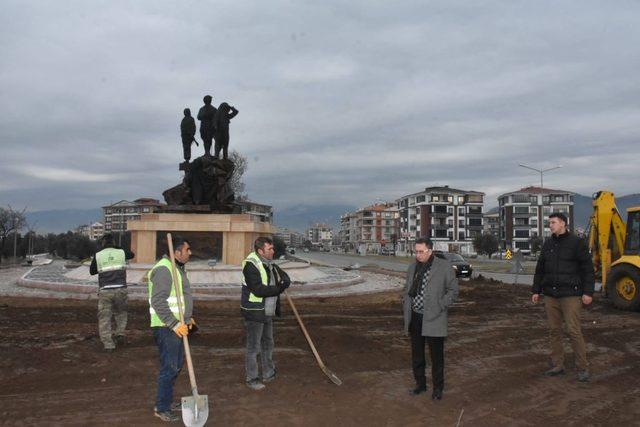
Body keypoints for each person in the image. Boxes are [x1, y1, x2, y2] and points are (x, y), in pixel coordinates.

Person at [532, 212, 595, 382]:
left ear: (563, 224)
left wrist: (588, 292)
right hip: (551, 296)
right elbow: (540, 269)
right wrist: (536, 290)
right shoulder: (548, 244)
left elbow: (588, 270)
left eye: (553, 222)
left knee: (574, 331)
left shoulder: (577, 243)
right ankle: (558, 365)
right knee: (554, 331)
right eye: (549, 222)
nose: (550, 225)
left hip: (571, 295)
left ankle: (582, 367)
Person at [402, 237, 458, 400]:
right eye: (416, 251)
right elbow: (407, 288)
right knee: (417, 355)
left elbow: (453, 291)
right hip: (415, 317)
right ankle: (420, 385)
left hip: (434, 317)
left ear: (430, 250)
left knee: (436, 357)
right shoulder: (412, 267)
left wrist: (440, 305)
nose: (417, 255)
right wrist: (405, 300)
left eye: (421, 251)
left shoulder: (444, 267)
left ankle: (438, 389)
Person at [148, 236, 196, 422]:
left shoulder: (177, 269)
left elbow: (180, 298)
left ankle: (166, 400)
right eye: (187, 249)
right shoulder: (164, 270)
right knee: (170, 367)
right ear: (176, 252)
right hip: (166, 327)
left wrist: (187, 318)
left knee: (176, 365)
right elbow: (158, 301)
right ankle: (162, 407)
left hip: (178, 325)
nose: (190, 252)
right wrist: (174, 323)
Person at [241, 236, 291, 390]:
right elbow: (258, 289)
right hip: (254, 312)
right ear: (260, 251)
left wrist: (284, 281)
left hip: (267, 311)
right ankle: (252, 378)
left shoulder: (270, 264)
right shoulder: (250, 265)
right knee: (253, 347)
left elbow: (284, 277)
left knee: (268, 343)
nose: (273, 251)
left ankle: (268, 372)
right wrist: (279, 288)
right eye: (270, 249)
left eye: (272, 248)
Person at [89, 233, 134, 352]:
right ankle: (120, 333)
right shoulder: (121, 252)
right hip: (121, 289)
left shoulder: (98, 255)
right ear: (114, 242)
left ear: (103, 243)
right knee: (121, 312)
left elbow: (92, 271)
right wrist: (118, 249)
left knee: (104, 318)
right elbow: (132, 254)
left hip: (105, 291)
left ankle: (108, 345)